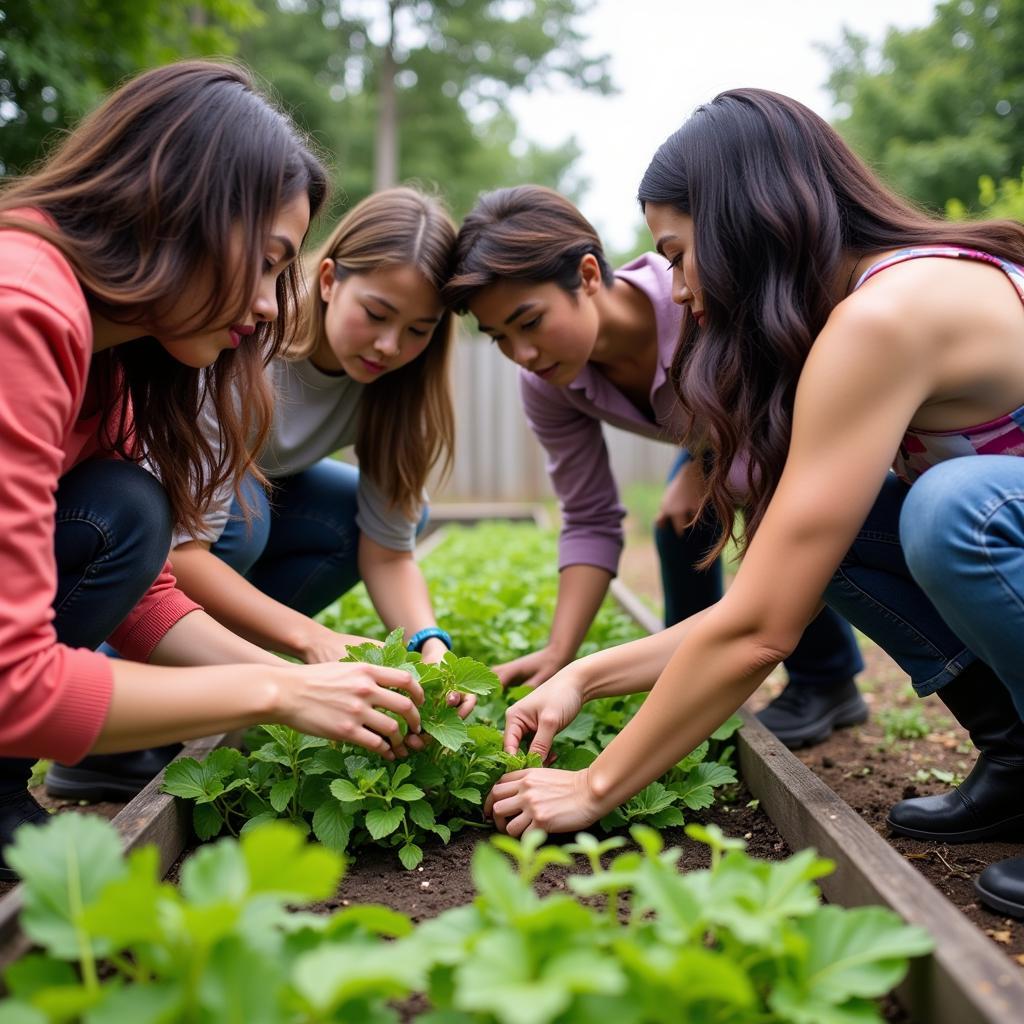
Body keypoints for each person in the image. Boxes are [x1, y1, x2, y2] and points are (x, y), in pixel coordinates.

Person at [484, 87, 1024, 918]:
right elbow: (778, 591)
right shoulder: (861, 312)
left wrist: (596, 784)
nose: (677, 286)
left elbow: (760, 629)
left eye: (677, 252)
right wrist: (583, 679)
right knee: (827, 528)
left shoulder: (883, 318)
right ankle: (1018, 759)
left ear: (746, 222)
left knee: (956, 509)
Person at [0, 61, 425, 879]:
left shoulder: (118, 360)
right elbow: (14, 684)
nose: (271, 304)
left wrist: (317, 685)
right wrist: (278, 694)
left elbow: (144, 595)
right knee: (130, 507)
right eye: (268, 261)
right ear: (179, 211)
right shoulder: (26, 309)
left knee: (128, 513)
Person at [43, 188, 467, 805]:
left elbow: (389, 552)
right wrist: (309, 641)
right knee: (246, 516)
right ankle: (128, 707)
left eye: (416, 331)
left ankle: (215, 691)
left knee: (355, 518)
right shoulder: (243, 342)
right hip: (169, 515)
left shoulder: (397, 390)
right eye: (376, 314)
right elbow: (182, 556)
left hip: (229, 502)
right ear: (328, 279)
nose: (388, 345)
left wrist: (430, 644)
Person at [443, 185, 865, 747]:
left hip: (798, 429)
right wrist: (558, 651)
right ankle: (683, 675)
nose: (522, 354)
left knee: (757, 496)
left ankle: (826, 680)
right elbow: (590, 516)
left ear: (588, 275)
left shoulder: (697, 301)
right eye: (499, 337)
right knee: (681, 526)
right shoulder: (548, 385)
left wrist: (705, 468)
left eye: (530, 321)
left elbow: (778, 402)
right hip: (721, 438)